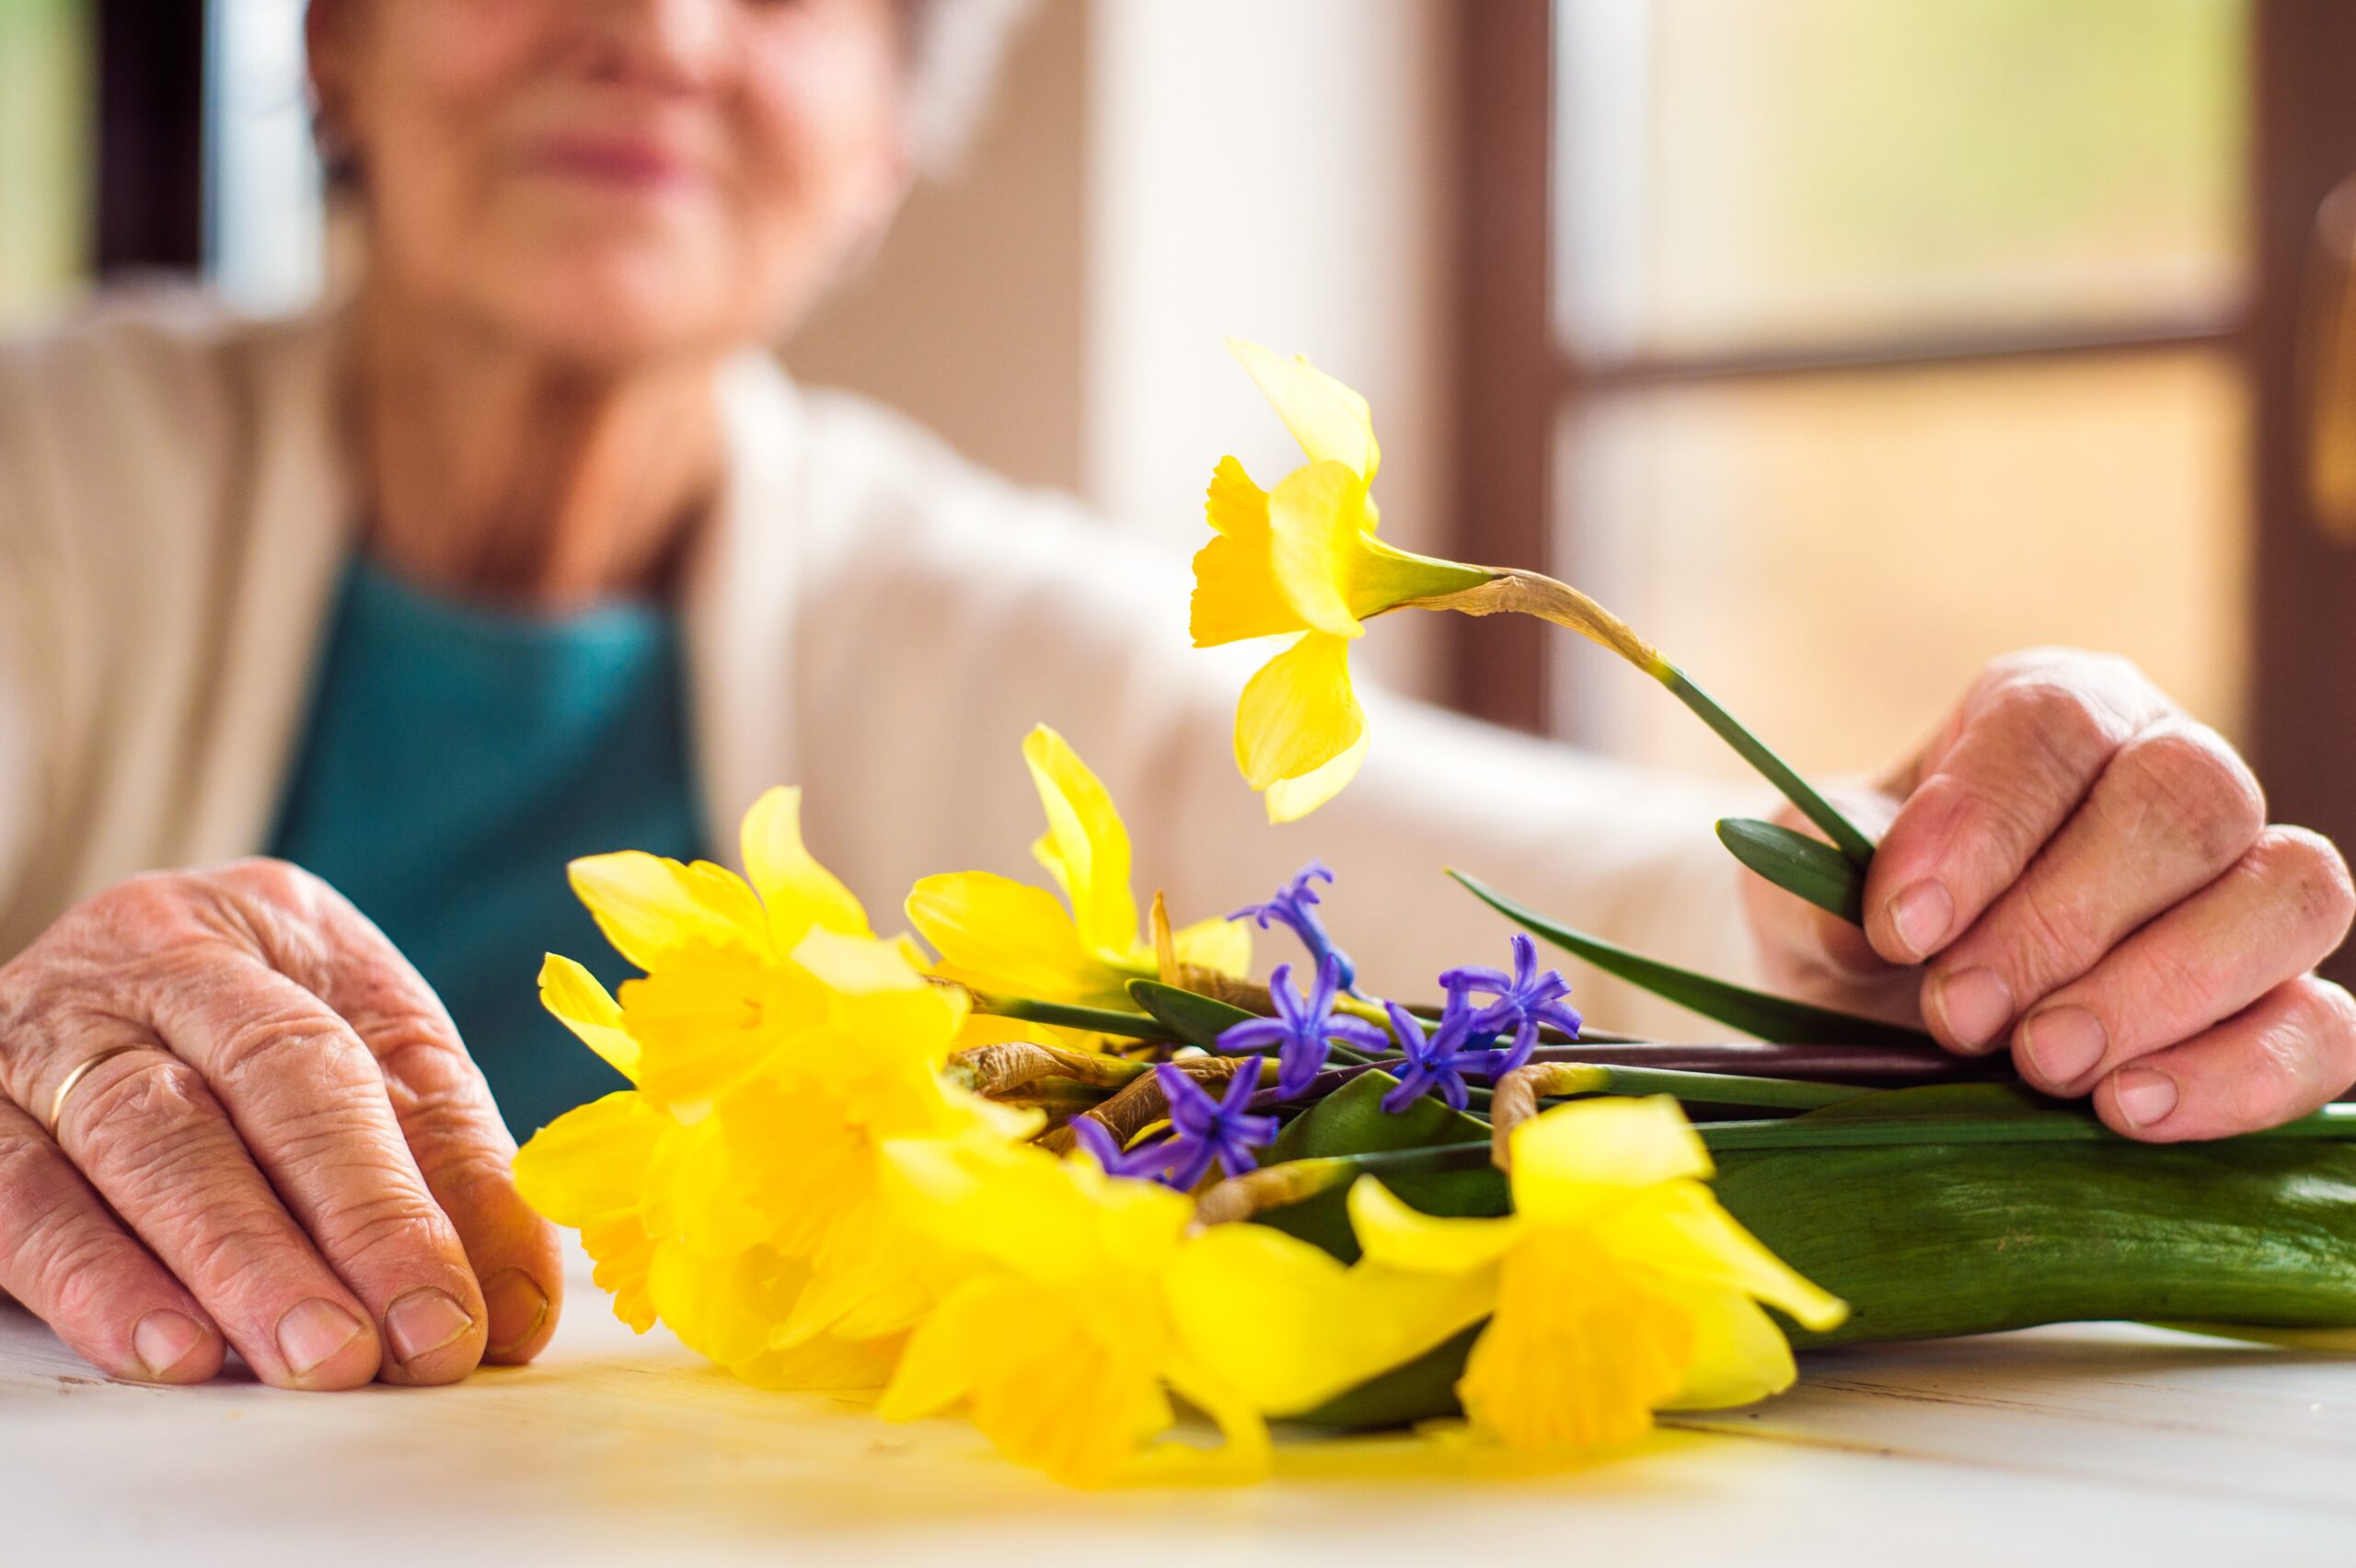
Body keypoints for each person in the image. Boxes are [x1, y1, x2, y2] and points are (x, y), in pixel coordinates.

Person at [1, 0, 2349, 1397]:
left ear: (888, 146)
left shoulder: (986, 621)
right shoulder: (43, 475)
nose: (666, 31)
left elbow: (1518, 889)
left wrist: (1900, 885)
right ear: (331, 38)